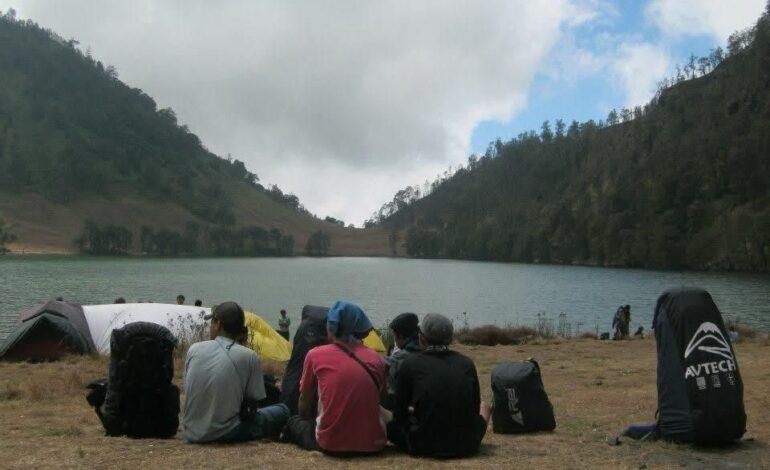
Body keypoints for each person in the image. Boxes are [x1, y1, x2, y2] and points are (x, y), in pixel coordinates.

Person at [282, 300, 387, 455]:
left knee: (293, 422)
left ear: (331, 328)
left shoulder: (315, 354)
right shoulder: (377, 359)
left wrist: (303, 419)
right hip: (373, 444)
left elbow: (304, 399)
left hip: (330, 443)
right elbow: (380, 399)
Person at [183, 301, 289, 443]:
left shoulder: (194, 349)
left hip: (191, 433)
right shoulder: (249, 356)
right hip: (227, 433)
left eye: (212, 323)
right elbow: (253, 403)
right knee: (283, 410)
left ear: (218, 324)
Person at [388, 313, 490, 458]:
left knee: (389, 423)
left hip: (422, 445)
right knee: (485, 407)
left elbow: (399, 414)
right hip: (467, 444)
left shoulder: (410, 364)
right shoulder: (466, 363)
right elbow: (475, 407)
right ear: (450, 339)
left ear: (421, 339)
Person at [382, 312, 421, 411]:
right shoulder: (426, 349)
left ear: (400, 336)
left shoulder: (400, 358)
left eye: (394, 335)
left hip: (407, 412)